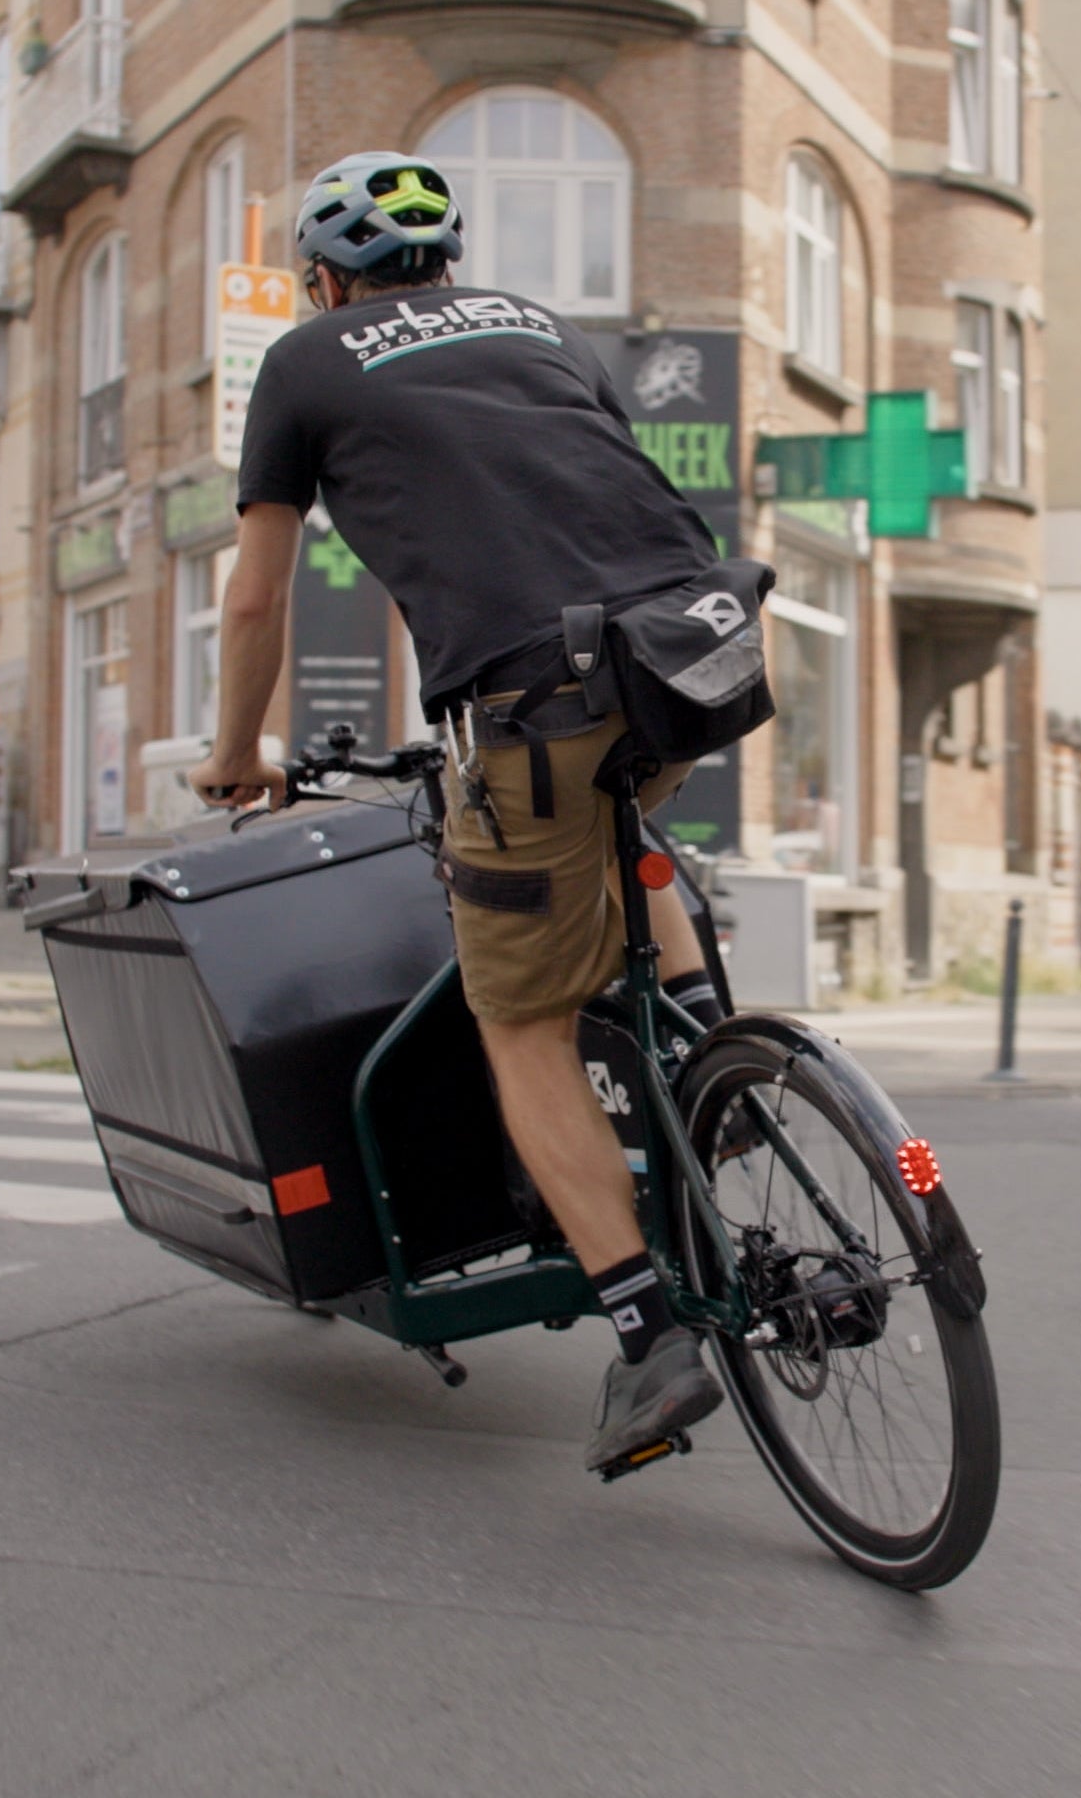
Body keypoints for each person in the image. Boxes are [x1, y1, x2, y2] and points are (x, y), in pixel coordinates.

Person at [186, 150, 733, 1477]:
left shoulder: (309, 361)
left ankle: (650, 1331)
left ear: (324, 277)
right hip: (701, 648)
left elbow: (255, 598)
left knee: (520, 1022)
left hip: (535, 692)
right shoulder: (544, 326)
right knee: (625, 813)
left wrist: (240, 748)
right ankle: (723, 1058)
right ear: (446, 261)